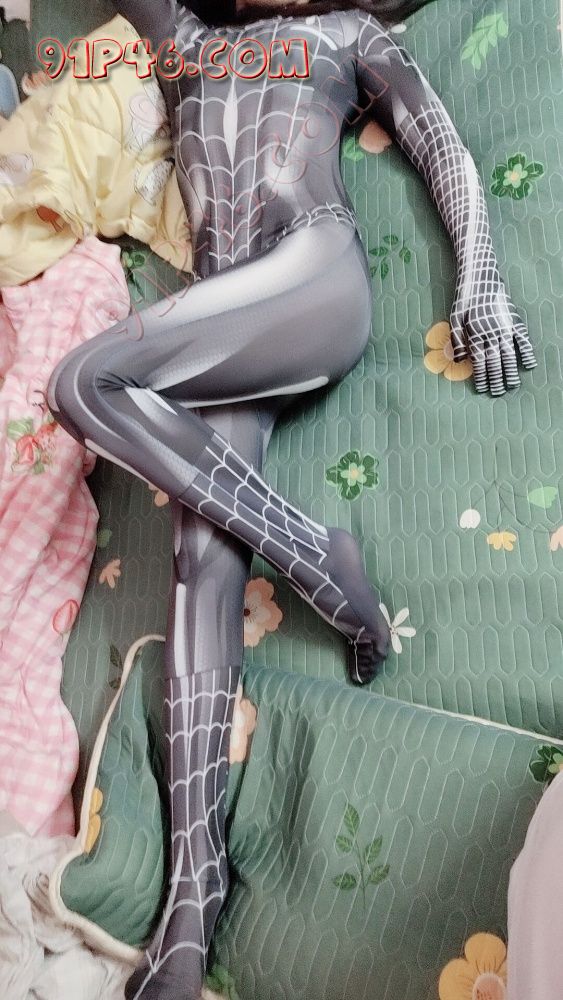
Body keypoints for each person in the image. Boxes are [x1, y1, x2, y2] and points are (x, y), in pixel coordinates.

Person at [46, 1, 537, 996]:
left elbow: (441, 147)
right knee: (199, 562)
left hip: (311, 279)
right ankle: (191, 901)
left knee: (82, 382)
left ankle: (314, 557)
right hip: (219, 324)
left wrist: (478, 279)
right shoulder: (186, 44)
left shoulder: (348, 34)